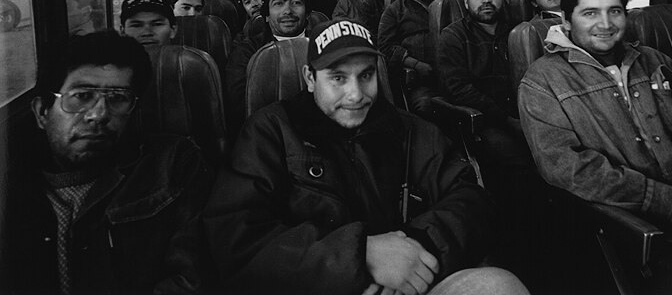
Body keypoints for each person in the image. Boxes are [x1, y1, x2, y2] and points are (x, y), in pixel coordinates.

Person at [203, 19, 529, 295]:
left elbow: (472, 200)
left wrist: (414, 250)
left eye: (366, 75)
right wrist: (362, 256)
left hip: (412, 280)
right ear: (309, 79)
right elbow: (235, 237)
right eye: (338, 78)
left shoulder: (410, 129)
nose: (356, 95)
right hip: (317, 287)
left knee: (499, 286)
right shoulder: (270, 130)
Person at [518, 0, 672, 253]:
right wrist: (667, 204)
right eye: (590, 13)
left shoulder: (656, 60)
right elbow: (565, 167)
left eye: (615, 11)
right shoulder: (542, 81)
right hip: (628, 224)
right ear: (567, 22)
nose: (605, 24)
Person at [2, 30, 210, 294]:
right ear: (42, 112)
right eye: (81, 96)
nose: (99, 114)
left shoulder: (172, 165)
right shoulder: (10, 186)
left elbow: (190, 278)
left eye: (117, 98)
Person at [436, 0, 539, 279]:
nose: (486, 0)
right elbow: (457, 88)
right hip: (482, 120)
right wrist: (506, 120)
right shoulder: (453, 36)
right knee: (521, 165)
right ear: (465, 1)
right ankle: (520, 242)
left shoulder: (518, 31)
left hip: (524, 112)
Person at [225, 0, 310, 138]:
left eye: (296, 2)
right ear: (266, 14)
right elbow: (239, 108)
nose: (287, 10)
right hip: (263, 136)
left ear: (307, 13)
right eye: (278, 3)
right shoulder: (246, 53)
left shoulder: (323, 46)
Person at [378, 0, 443, 116]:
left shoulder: (449, 4)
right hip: (420, 81)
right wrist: (415, 64)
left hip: (453, 75)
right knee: (427, 105)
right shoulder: (397, 9)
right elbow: (384, 47)